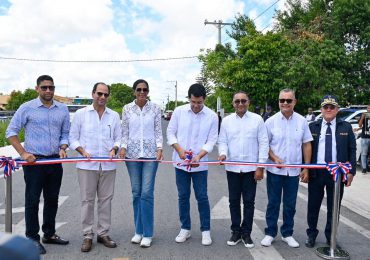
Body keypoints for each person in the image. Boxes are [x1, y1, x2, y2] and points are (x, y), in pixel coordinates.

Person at [6, 75, 70, 255]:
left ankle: (49, 234)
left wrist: (63, 147)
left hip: (55, 160)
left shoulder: (62, 109)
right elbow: (11, 132)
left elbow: (65, 133)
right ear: (37, 88)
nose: (48, 91)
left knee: (52, 198)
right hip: (34, 162)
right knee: (32, 200)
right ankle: (32, 238)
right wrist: (23, 153)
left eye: (51, 87)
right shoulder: (27, 108)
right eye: (44, 87)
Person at [69, 82, 121, 252]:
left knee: (106, 201)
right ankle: (87, 235)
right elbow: (72, 138)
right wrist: (81, 150)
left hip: (108, 165)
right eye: (99, 94)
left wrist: (114, 149)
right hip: (86, 165)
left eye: (106, 95)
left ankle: (103, 233)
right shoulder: (81, 114)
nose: (102, 97)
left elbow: (118, 139)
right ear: (92, 94)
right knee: (87, 201)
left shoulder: (113, 116)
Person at [167, 83, 218, 246]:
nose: (196, 106)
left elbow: (211, 140)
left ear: (204, 99)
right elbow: (170, 132)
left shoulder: (211, 116)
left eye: (199, 102)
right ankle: (185, 228)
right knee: (183, 196)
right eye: (193, 102)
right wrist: (180, 150)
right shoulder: (179, 112)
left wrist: (200, 156)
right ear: (189, 98)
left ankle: (205, 230)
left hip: (200, 165)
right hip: (180, 163)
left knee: (202, 196)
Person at [261, 88, 313, 248]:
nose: (285, 103)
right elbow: (265, 145)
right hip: (275, 171)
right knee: (273, 203)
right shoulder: (270, 121)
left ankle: (287, 233)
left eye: (288, 100)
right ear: (278, 102)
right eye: (282, 100)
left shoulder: (302, 121)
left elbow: (306, 144)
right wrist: (274, 157)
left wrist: (306, 168)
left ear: (294, 102)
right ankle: (270, 232)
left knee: (290, 204)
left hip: (293, 171)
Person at [218, 91, 269, 248]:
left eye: (243, 101)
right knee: (233, 201)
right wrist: (223, 154)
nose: (240, 104)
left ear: (248, 102)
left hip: (250, 169)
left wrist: (260, 167)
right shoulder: (226, 121)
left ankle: (246, 233)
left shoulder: (257, 120)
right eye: (237, 101)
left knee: (249, 202)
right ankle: (235, 232)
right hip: (232, 168)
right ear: (233, 103)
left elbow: (264, 143)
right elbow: (223, 141)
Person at [305, 95, 356, 248]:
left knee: (334, 208)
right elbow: (306, 149)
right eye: (325, 107)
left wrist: (351, 171)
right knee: (313, 206)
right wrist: (305, 169)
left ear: (337, 109)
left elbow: (352, 150)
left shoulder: (345, 127)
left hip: (337, 174)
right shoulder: (313, 126)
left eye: (331, 107)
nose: (328, 109)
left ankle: (330, 237)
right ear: (321, 109)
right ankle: (311, 235)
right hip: (317, 172)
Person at [119, 79, 163, 248]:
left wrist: (159, 147)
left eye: (145, 89)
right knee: (136, 192)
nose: (142, 92)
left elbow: (158, 131)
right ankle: (138, 231)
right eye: (139, 89)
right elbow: (124, 131)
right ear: (134, 91)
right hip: (132, 155)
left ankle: (148, 233)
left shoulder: (155, 108)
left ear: (148, 91)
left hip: (151, 155)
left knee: (146, 193)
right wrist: (123, 148)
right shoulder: (127, 109)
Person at [358, 105, 370, 174]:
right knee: (364, 153)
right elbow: (360, 125)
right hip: (365, 136)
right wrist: (362, 117)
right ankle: (364, 168)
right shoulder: (364, 115)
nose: (369, 109)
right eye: (368, 108)